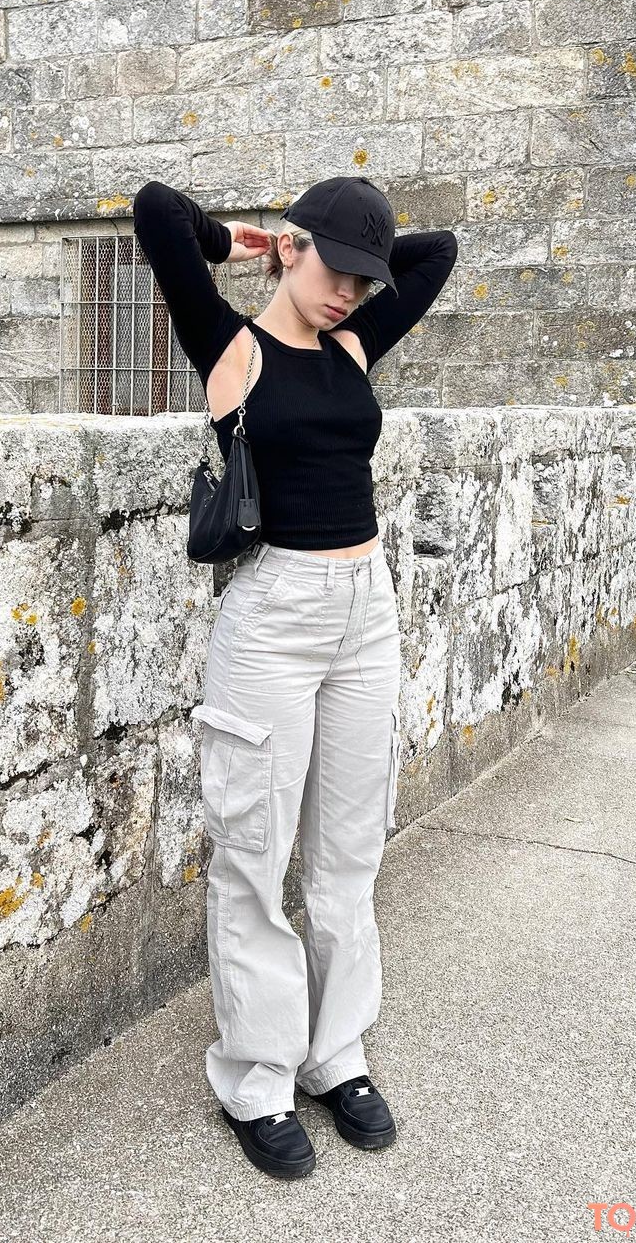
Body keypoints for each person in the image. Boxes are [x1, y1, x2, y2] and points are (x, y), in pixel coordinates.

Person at [132, 176, 457, 1179]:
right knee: (254, 853)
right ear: (293, 249)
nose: (350, 291)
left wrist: (356, 249)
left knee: (349, 850)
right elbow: (154, 211)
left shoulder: (353, 344)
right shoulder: (230, 348)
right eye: (336, 269)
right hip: (273, 616)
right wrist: (240, 239)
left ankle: (335, 1053)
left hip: (367, 610)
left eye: (364, 278)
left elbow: (437, 251)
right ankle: (259, 1076)